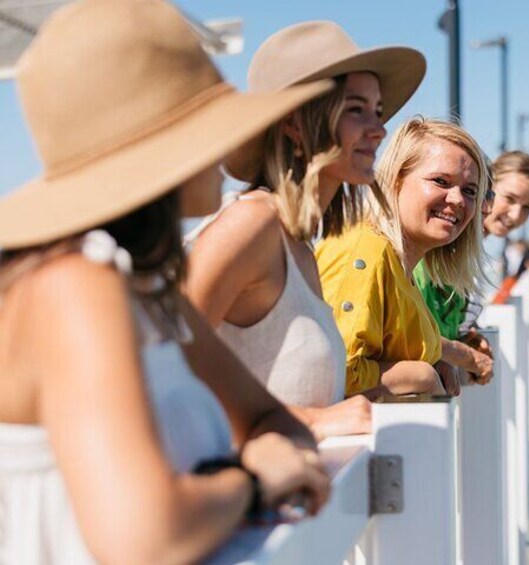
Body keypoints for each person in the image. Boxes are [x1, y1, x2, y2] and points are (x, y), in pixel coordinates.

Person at [0, 1, 331, 561]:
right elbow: (147, 538)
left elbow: (270, 417)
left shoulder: (145, 294)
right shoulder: (75, 285)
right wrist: (251, 481)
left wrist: (263, 458)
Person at [184, 21, 425, 441]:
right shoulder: (251, 224)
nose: (379, 129)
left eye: (378, 111)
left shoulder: (297, 245)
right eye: (355, 109)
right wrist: (311, 422)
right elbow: (161, 366)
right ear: (296, 123)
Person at [316, 117, 489, 398]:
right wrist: (420, 375)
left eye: (469, 191)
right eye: (441, 181)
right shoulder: (364, 251)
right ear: (395, 181)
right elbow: (334, 375)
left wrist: (434, 358)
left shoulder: (399, 262)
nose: (457, 200)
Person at [416, 150, 529, 382]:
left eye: (527, 207)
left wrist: (467, 336)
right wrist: (465, 355)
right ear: (486, 188)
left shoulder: (467, 252)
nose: (516, 215)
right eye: (510, 199)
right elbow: (417, 328)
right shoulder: (442, 246)